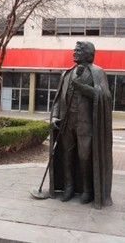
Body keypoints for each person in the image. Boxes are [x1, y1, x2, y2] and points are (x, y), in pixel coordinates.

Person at [49, 41, 113, 209]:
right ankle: (68, 188)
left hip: (86, 125)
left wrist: (83, 88)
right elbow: (58, 99)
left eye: (78, 50)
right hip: (67, 124)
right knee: (67, 158)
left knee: (84, 158)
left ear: (88, 53)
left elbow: (105, 97)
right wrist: (55, 116)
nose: (74, 52)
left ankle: (87, 190)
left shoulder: (97, 73)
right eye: (74, 50)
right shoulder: (67, 74)